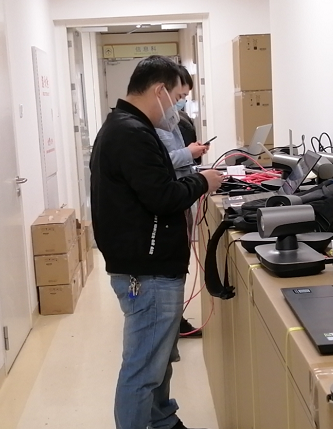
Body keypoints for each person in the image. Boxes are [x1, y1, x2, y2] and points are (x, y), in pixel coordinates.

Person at [90, 55, 222, 429]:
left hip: (149, 264)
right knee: (143, 368)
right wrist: (203, 181)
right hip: (146, 272)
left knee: (159, 359)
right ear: (160, 91)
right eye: (178, 98)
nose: (178, 108)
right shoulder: (130, 133)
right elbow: (162, 196)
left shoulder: (129, 127)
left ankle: (162, 418)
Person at [155, 67, 207, 339]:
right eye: (180, 95)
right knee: (174, 263)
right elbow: (164, 161)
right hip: (173, 196)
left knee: (181, 259)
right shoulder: (153, 124)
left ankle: (175, 319)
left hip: (182, 192)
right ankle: (172, 322)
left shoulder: (172, 119)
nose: (182, 101)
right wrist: (189, 152)